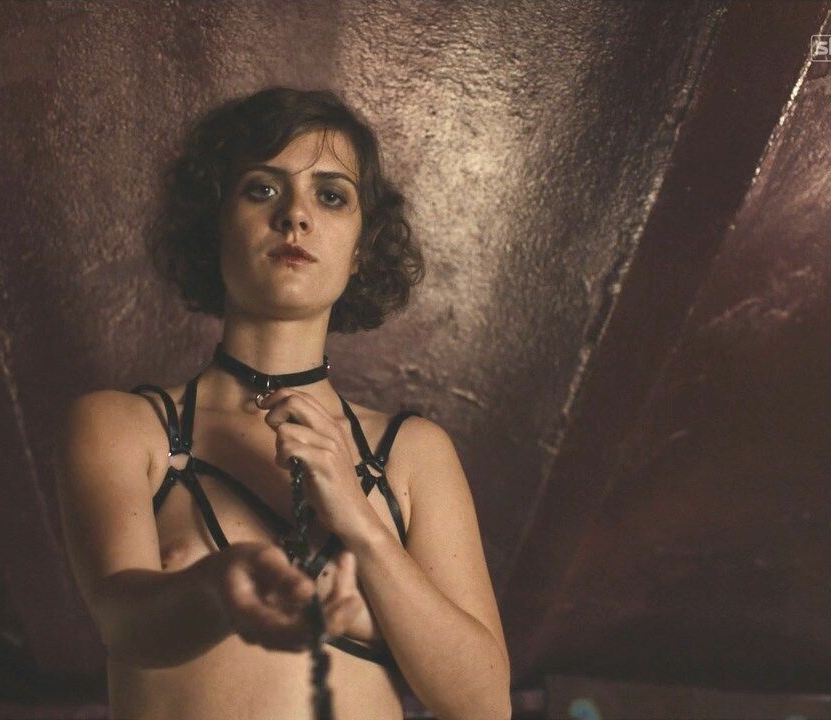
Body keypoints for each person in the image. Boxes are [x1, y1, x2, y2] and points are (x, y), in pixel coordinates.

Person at [57, 87, 510, 720]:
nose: (295, 215)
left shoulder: (412, 453)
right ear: (214, 226)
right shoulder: (123, 427)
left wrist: (358, 519)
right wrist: (221, 585)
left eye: (331, 196)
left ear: (361, 250)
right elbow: (123, 627)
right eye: (262, 189)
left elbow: (484, 704)